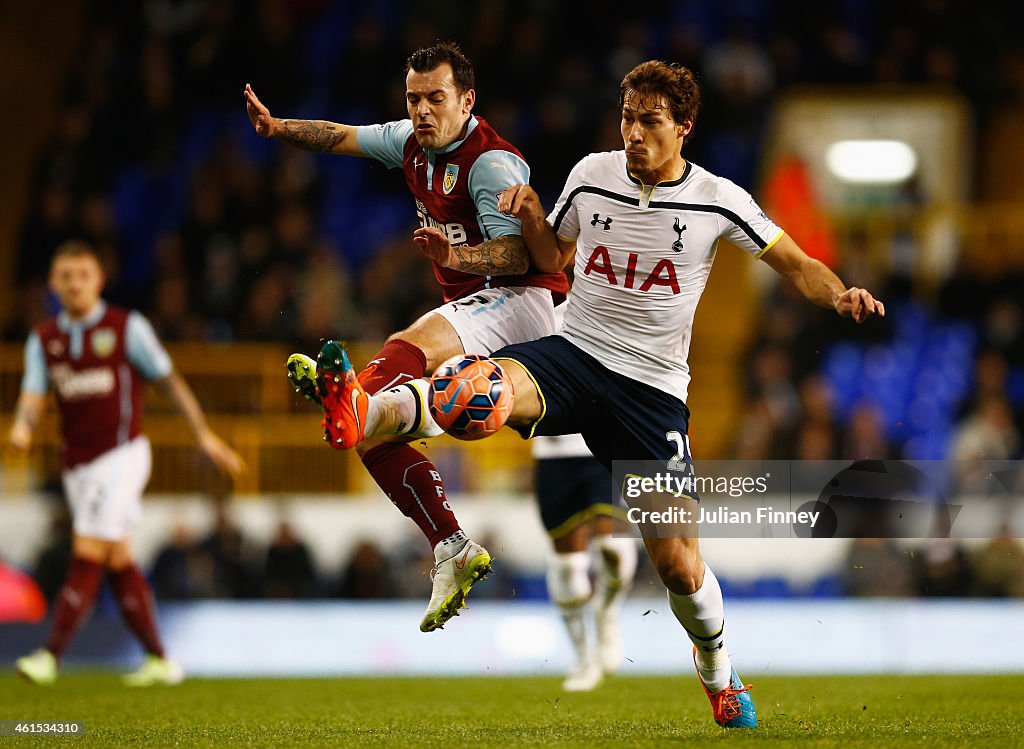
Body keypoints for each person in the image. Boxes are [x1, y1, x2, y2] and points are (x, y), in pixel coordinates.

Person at [416, 60, 884, 727]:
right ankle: (385, 419)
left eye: (651, 121)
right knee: (478, 391)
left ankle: (716, 667)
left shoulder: (718, 198)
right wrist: (527, 221)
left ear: (684, 127)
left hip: (651, 392)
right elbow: (551, 261)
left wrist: (840, 293)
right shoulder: (591, 174)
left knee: (679, 568)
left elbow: (796, 263)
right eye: (628, 117)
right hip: (574, 355)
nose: (634, 133)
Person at [244, 42, 568, 632]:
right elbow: (340, 136)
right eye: (414, 98)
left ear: (467, 100)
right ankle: (451, 547)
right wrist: (278, 127)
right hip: (481, 308)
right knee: (367, 432)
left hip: (529, 304)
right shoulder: (411, 144)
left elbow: (522, 253)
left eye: (435, 98)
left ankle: (353, 392)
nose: (422, 110)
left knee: (407, 342)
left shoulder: (491, 163)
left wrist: (458, 254)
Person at [9, 240, 245, 686]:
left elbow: (169, 382)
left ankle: (49, 655)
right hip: (77, 466)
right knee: (117, 557)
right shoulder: (44, 340)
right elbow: (33, 395)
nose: (75, 284)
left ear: (99, 280)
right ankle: (159, 659)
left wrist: (204, 435)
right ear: (53, 284)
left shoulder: (125, 327)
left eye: (83, 275)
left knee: (88, 550)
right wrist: (23, 427)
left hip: (121, 456)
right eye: (66, 276)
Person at [533, 432, 637, 692]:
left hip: (606, 447)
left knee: (614, 544)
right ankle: (583, 659)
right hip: (553, 456)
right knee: (568, 565)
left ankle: (607, 610)